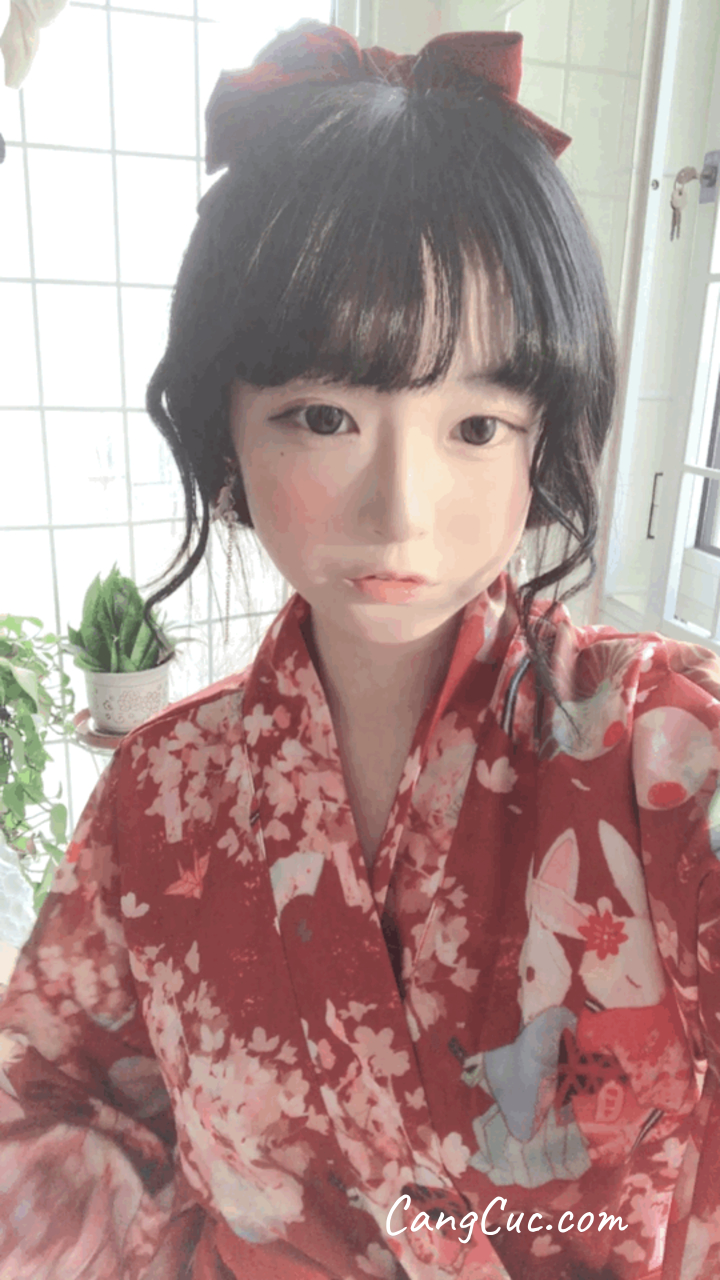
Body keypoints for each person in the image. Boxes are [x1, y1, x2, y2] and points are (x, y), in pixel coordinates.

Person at [1, 19, 720, 1280]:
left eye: (477, 426)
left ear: (543, 437)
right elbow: (45, 1103)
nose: (401, 509)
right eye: (323, 415)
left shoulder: (663, 752)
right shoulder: (158, 796)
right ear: (226, 428)